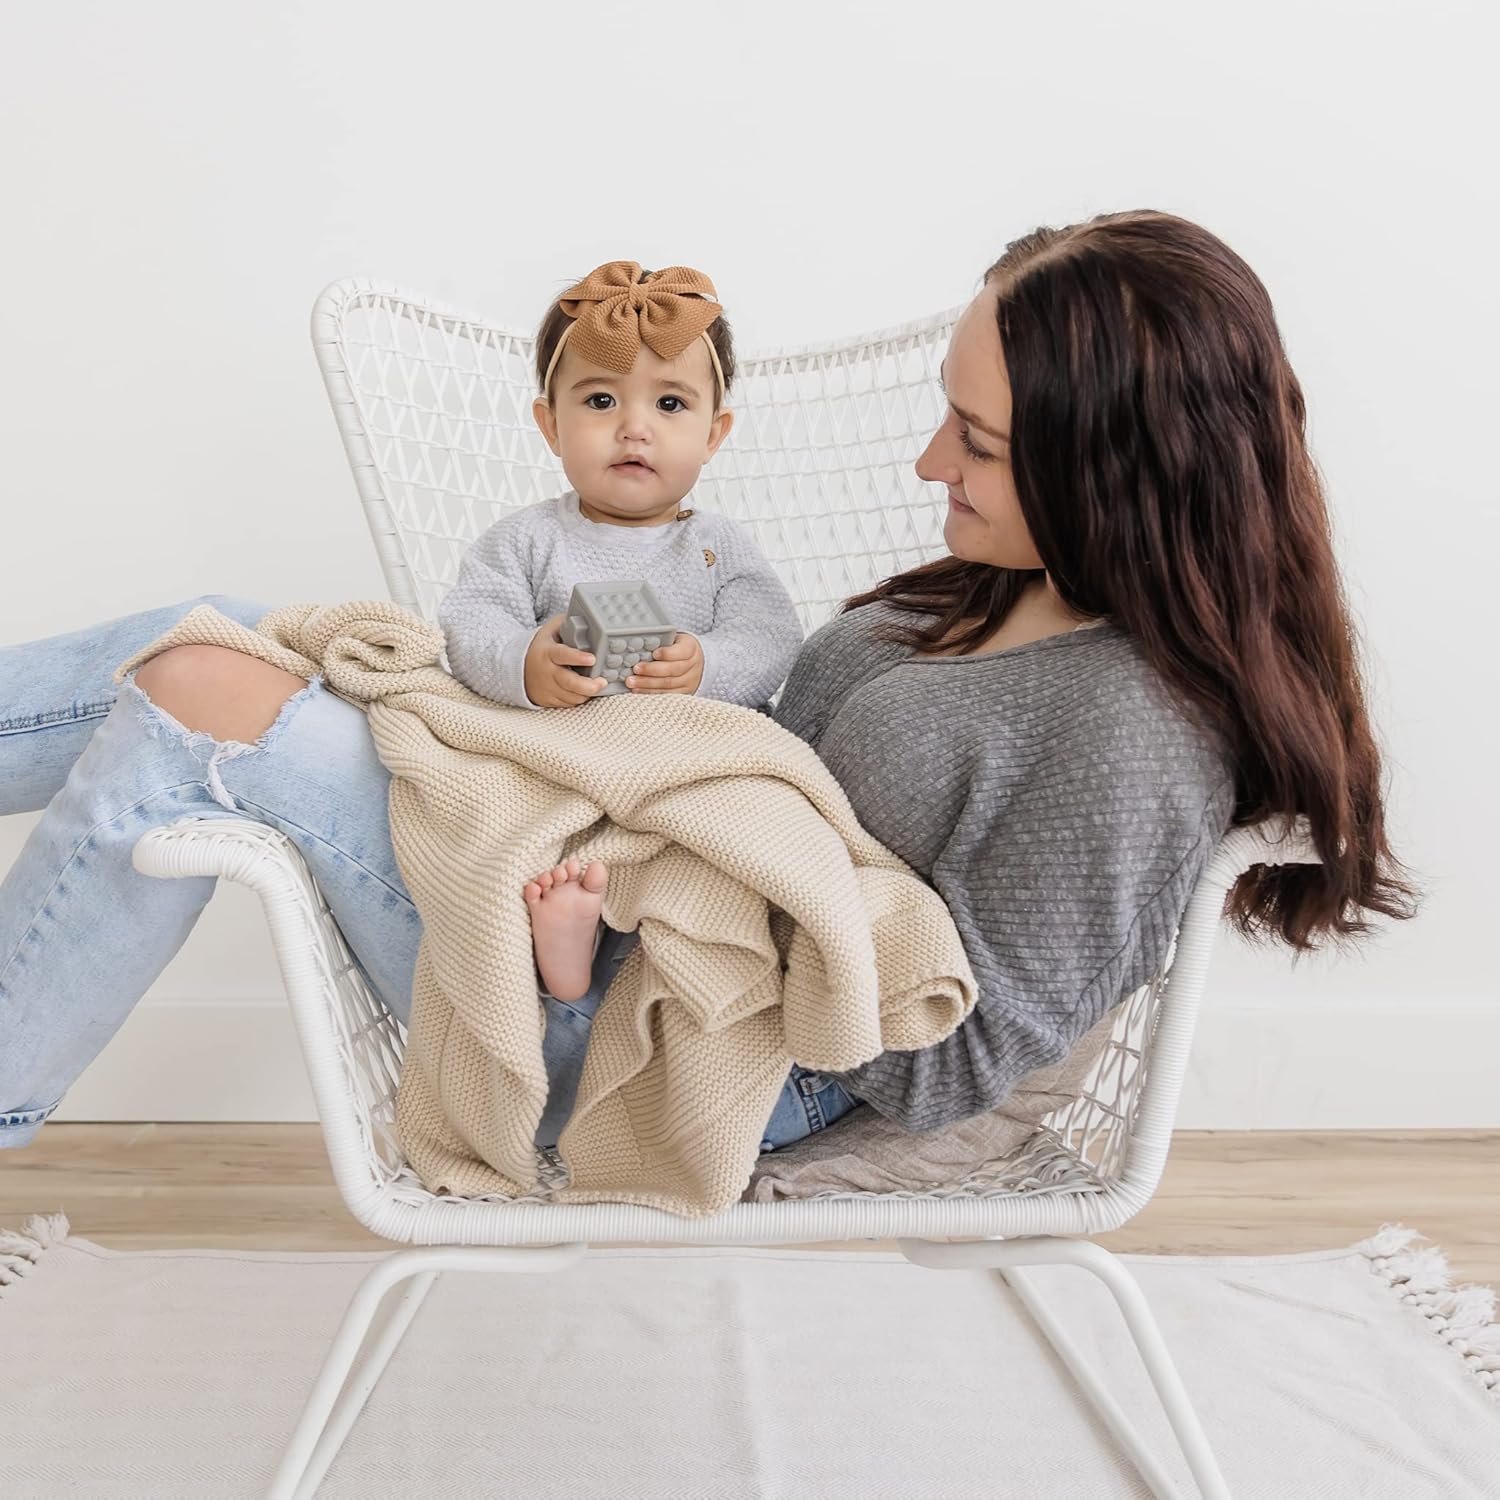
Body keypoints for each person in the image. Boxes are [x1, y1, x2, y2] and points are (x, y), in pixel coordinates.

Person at [0, 209, 1414, 1162]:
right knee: (247, 628)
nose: (931, 464)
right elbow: (749, 761)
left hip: (649, 1046)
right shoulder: (998, 592)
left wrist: (703, 884)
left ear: (1116, 465)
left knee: (204, 691)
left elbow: (938, 1064)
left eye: (976, 440)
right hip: (603, 893)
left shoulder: (1132, 732)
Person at [436, 259, 801, 1003]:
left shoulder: (717, 546)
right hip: (573, 760)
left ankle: (690, 953)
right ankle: (570, 923)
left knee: (735, 836)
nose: (635, 427)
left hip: (687, 768)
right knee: (512, 812)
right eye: (601, 400)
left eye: (671, 403)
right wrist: (525, 660)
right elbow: (471, 621)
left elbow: (772, 635)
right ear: (550, 423)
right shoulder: (526, 541)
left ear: (714, 433)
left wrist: (705, 665)